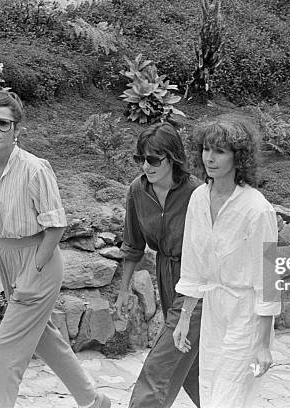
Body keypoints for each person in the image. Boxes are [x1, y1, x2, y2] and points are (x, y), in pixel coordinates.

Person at [0, 90, 110, 408]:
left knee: (4, 349)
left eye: (3, 124)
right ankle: (93, 401)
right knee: (43, 337)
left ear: (17, 129)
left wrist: (32, 273)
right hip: (7, 257)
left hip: (40, 259)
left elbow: (56, 225)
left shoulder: (35, 169)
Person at [173, 116, 281, 408]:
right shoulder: (198, 198)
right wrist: (184, 318)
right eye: (207, 149)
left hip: (246, 315)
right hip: (213, 310)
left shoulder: (257, 209)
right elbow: (193, 265)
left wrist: (262, 344)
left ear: (238, 156)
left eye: (220, 151)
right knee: (209, 390)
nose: (210, 158)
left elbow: (268, 279)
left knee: (228, 398)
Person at [115, 122, 202, 408]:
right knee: (191, 365)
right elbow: (133, 245)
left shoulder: (197, 194)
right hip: (165, 276)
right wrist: (124, 289)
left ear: (173, 158)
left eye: (153, 159)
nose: (145, 166)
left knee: (161, 364)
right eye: (140, 159)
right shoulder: (137, 191)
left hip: (197, 283)